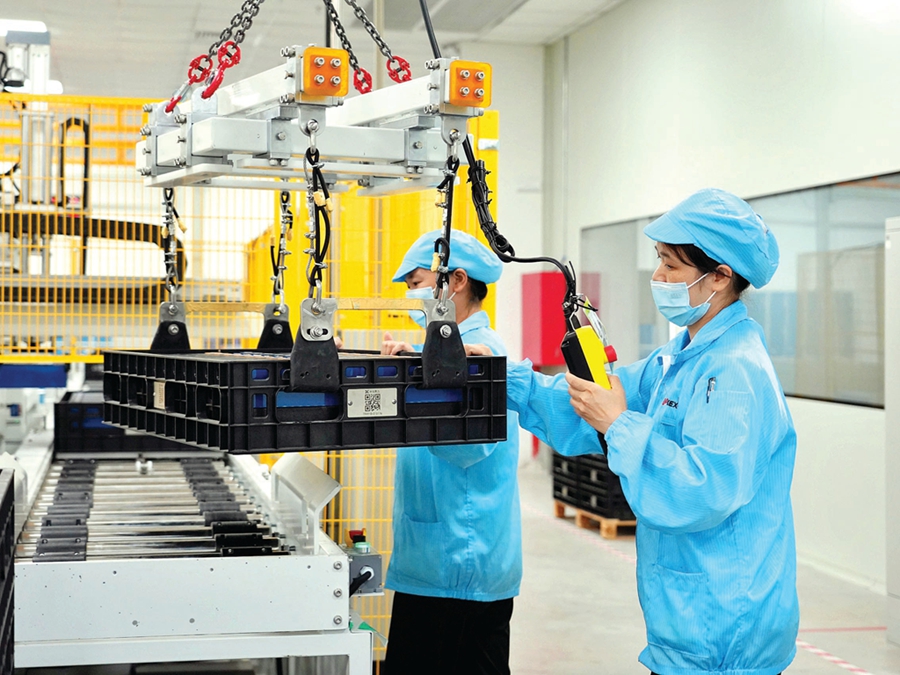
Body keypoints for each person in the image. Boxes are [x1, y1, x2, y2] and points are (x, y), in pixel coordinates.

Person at [471, 189, 798, 675]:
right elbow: (593, 398)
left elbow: (701, 490)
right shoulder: (679, 358)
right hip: (688, 623)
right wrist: (504, 378)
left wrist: (619, 424)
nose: (658, 277)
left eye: (671, 265)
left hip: (725, 631)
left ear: (720, 276)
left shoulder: (733, 371)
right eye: (658, 260)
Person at [381, 229, 521, 675]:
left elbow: (470, 443)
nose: (412, 296)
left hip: (460, 562)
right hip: (438, 559)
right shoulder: (440, 349)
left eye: (417, 283)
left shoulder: (483, 352)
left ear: (456, 281)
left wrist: (415, 390)